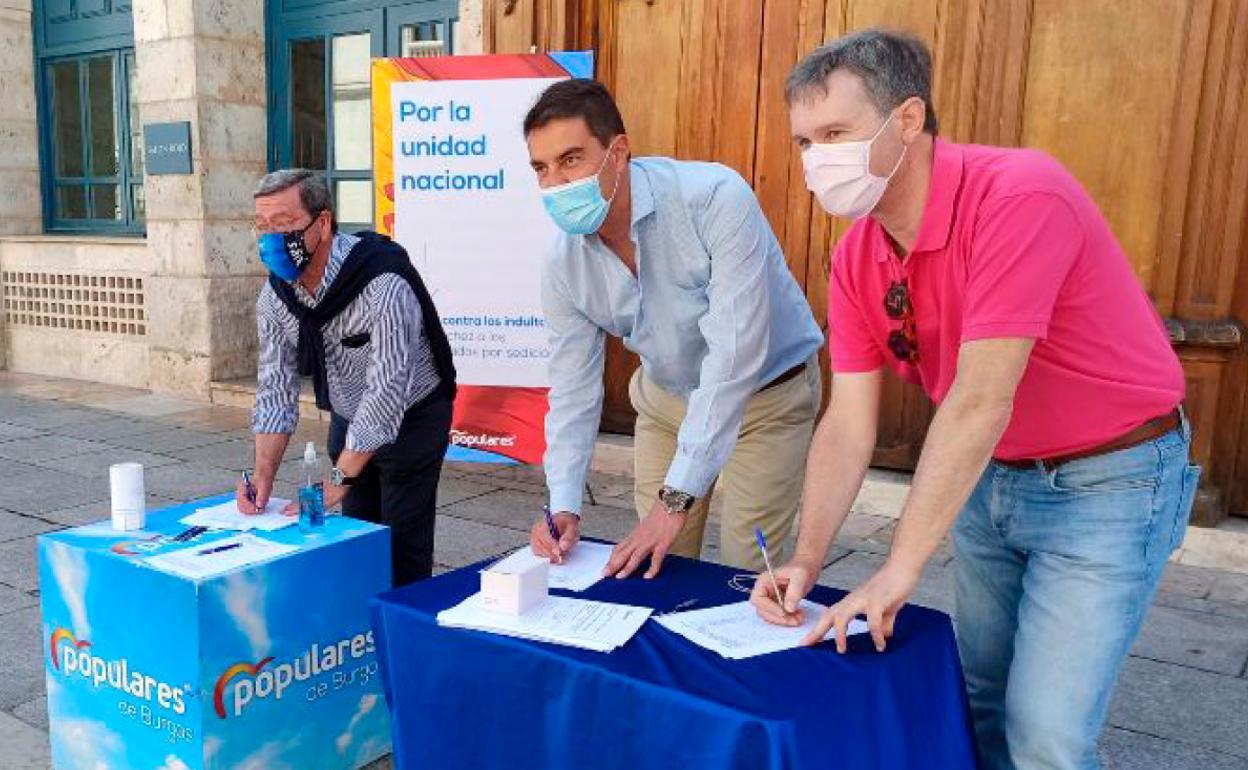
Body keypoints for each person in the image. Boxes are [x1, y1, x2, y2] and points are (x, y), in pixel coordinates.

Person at [750, 30, 1199, 770]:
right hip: (992, 480)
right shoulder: (856, 254)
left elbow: (980, 398)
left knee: (1046, 734)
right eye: (803, 141)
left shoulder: (1019, 195)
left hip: (1111, 480)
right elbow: (848, 421)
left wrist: (899, 568)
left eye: (835, 133)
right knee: (980, 700)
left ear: (907, 119)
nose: (814, 161)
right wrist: (805, 559)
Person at [524, 79, 825, 578]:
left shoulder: (713, 199)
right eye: (541, 168)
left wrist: (675, 499)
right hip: (667, 401)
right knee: (656, 562)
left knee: (746, 570)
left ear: (618, 152)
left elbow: (734, 355)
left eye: (571, 159)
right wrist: (563, 508)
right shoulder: (562, 263)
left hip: (765, 397)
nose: (556, 182)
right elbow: (572, 389)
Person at [237, 169, 457, 586]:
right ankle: (362, 636)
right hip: (348, 415)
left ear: (322, 223)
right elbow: (274, 389)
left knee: (402, 546)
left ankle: (404, 636)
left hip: (413, 416)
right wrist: (262, 475)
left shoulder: (382, 283)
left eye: (284, 225)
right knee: (357, 541)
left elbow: (388, 388)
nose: (271, 240)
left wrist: (340, 478)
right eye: (262, 227)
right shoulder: (275, 298)